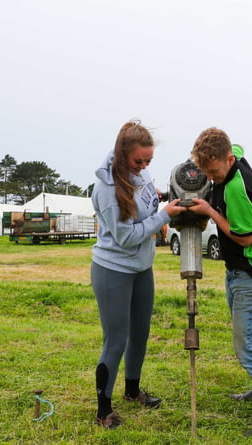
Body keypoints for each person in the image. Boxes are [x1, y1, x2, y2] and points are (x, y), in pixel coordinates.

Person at [187, 127, 252, 437]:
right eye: (205, 171)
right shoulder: (233, 157)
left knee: (246, 347)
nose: (211, 178)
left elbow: (245, 238)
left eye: (214, 171)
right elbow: (223, 150)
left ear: (228, 159)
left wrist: (209, 212)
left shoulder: (235, 189)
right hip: (238, 271)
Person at [91, 120, 187, 429]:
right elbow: (126, 236)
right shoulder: (106, 189)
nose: (143, 166)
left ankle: (132, 392)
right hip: (113, 269)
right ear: (122, 155)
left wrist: (161, 202)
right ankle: (103, 409)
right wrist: (164, 216)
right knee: (116, 339)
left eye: (148, 161)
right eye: (138, 161)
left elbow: (144, 206)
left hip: (142, 267)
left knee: (141, 333)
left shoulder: (141, 173)